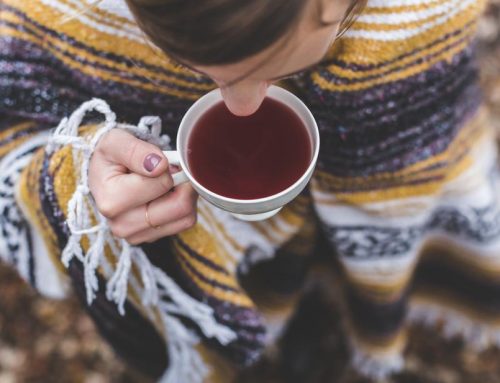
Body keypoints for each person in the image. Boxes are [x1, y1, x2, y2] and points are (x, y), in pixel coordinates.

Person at [0, 0, 495, 381]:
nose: (239, 105)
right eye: (194, 69)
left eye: (269, 70)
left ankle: (319, 306)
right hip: (231, 244)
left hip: (353, 225)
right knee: (272, 293)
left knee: (329, 277)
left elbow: (431, 142)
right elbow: (14, 117)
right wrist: (74, 175)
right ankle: (274, 321)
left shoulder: (425, 16)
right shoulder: (72, 11)